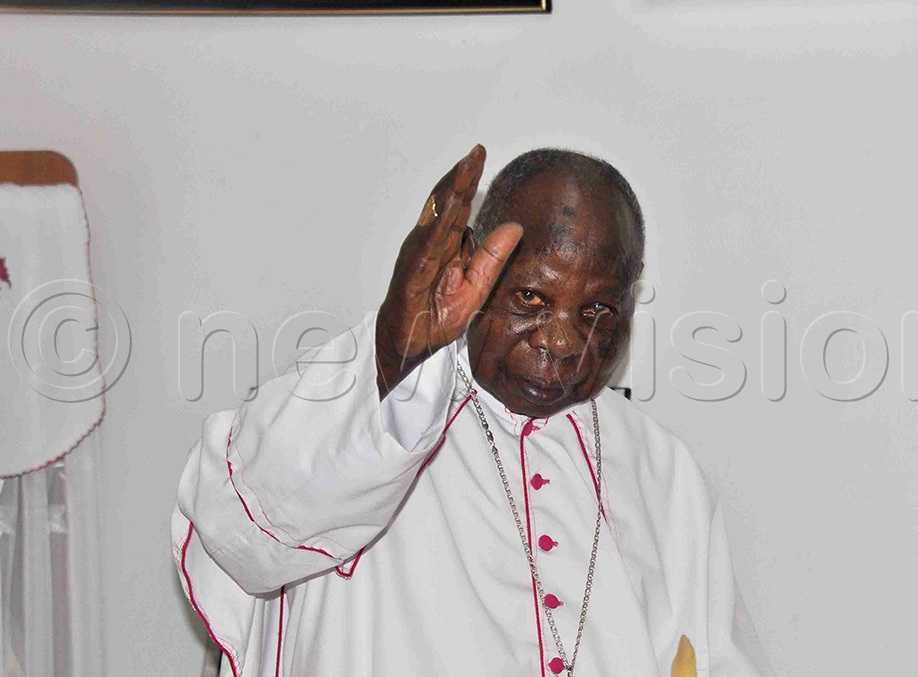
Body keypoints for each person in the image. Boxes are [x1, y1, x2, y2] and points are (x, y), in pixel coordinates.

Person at [171, 145, 767, 676]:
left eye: (597, 312)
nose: (561, 341)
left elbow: (717, 657)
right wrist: (389, 358)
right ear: (475, 272)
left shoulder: (660, 472)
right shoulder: (365, 413)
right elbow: (243, 527)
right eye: (532, 297)